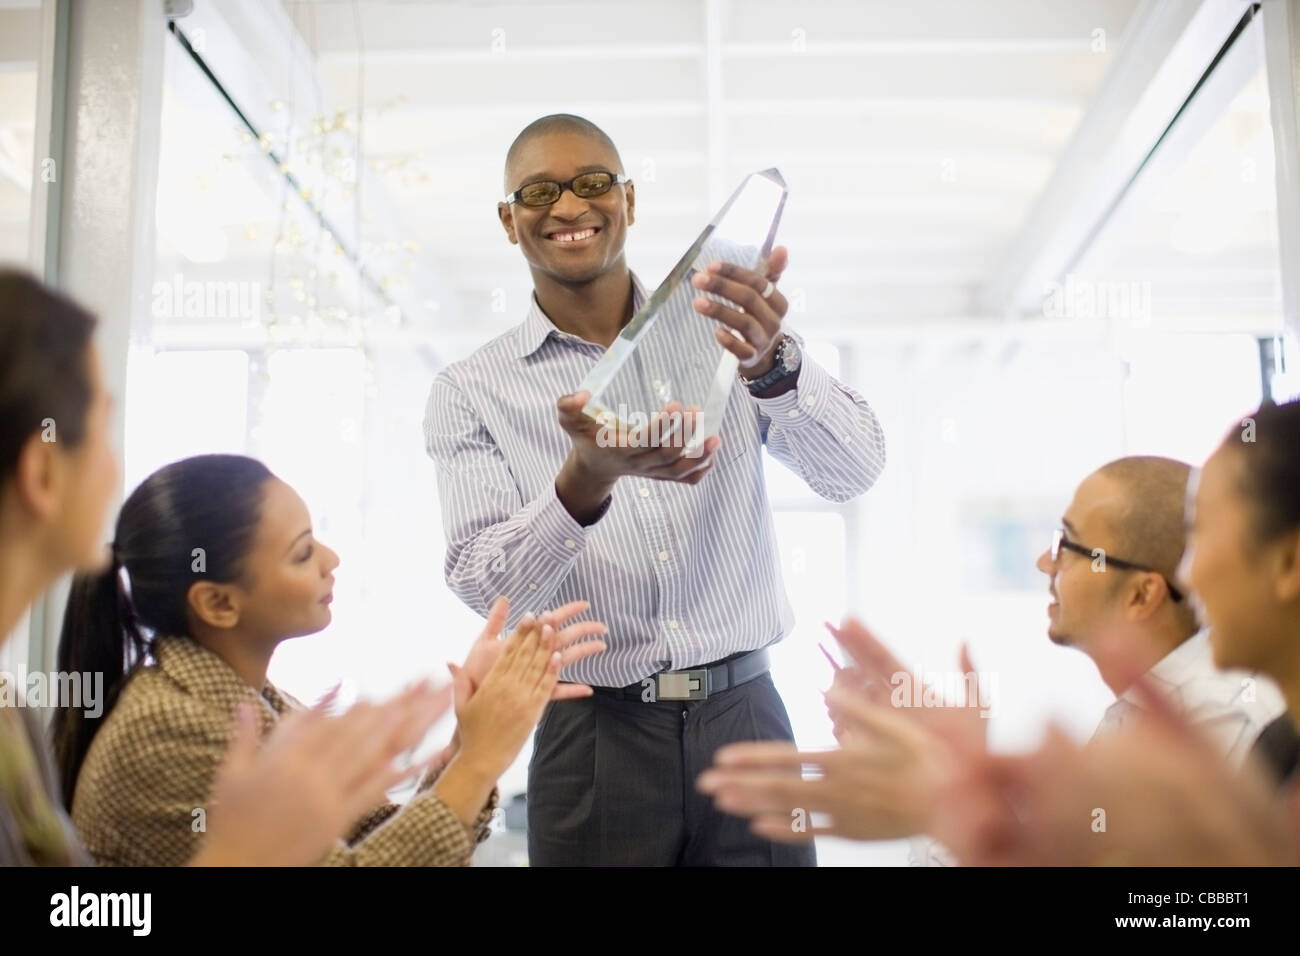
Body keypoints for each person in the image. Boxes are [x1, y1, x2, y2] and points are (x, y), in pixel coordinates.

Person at [423, 113, 886, 865]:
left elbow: (854, 470)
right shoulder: (471, 391)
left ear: (629, 203)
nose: (570, 206)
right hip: (595, 739)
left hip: (748, 721)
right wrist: (584, 480)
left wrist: (773, 364)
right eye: (539, 191)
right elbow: (485, 584)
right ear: (510, 221)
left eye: (593, 183)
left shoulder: (721, 331)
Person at [0, 268, 450, 866]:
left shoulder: (13, 721)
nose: (115, 465)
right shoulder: (165, 728)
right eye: (104, 428)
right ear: (44, 473)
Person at [696, 455, 1282, 857]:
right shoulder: (1140, 716)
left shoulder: (1223, 723)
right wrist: (946, 783)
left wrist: (943, 792)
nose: (1045, 564)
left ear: (1142, 592)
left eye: (1069, 546)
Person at [53, 454, 608, 866]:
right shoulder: (168, 730)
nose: (331, 560)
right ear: (218, 603)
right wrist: (482, 759)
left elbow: (375, 839)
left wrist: (471, 738)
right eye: (302, 552)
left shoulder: (249, 700)